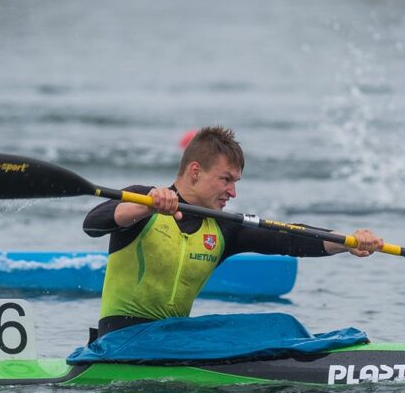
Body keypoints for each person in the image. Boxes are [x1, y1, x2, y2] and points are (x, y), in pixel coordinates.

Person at [83, 125, 384, 337]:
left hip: (171, 339)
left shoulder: (224, 228)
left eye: (236, 182)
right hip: (119, 341)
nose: (233, 192)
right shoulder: (141, 199)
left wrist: (347, 241)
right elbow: (95, 222)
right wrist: (148, 206)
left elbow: (291, 237)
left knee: (279, 325)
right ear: (195, 171)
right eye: (226, 179)